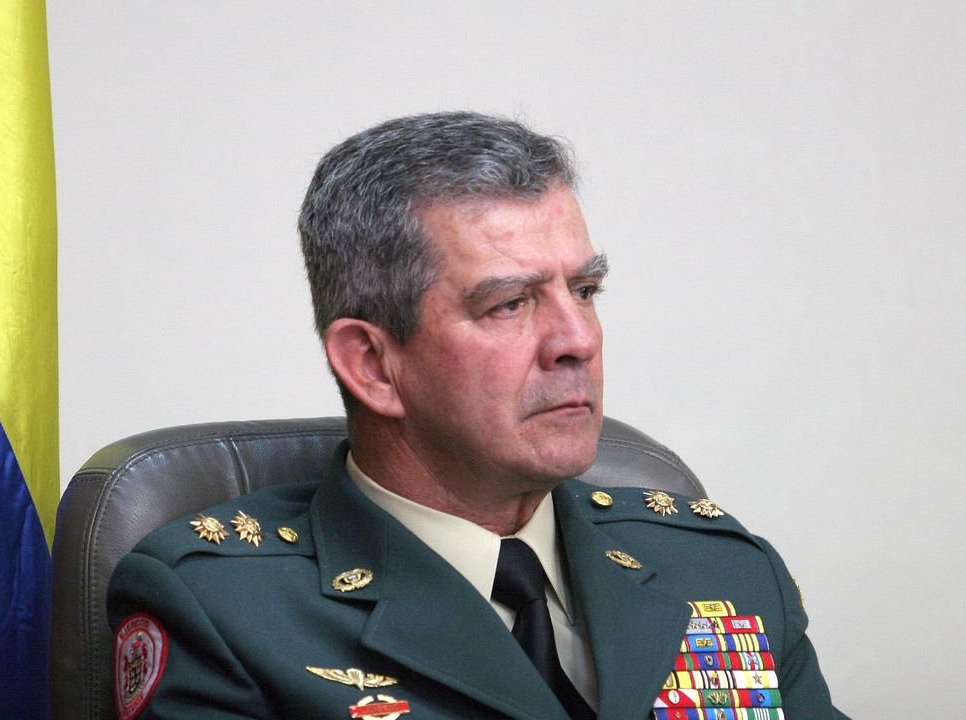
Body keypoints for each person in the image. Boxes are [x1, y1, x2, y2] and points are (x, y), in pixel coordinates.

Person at [106, 112, 848, 720]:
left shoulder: (721, 569)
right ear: (373, 365)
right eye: (510, 304)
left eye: (584, 291)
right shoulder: (224, 611)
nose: (578, 340)